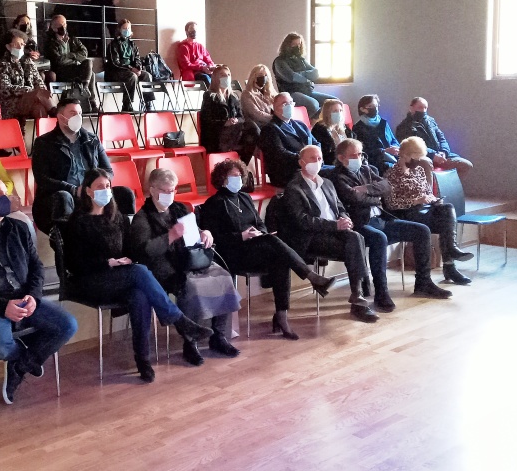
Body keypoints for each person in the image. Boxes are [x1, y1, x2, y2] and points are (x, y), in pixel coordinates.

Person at [64, 169, 212, 382]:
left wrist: (125, 260)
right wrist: (107, 262)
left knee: (140, 295)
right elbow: (74, 264)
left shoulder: (118, 218)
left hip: (119, 277)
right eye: (99, 187)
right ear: (88, 191)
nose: (105, 190)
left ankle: (143, 360)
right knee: (139, 272)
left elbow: (133, 251)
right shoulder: (77, 222)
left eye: (108, 186)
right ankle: (180, 321)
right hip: (89, 280)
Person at [0, 174, 78, 405]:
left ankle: (19, 366)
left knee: (68, 325)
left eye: (5, 193)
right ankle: (27, 359)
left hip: (24, 298)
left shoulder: (20, 228)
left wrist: (33, 296)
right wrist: (2, 306)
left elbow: (36, 267)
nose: (5, 198)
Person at [199, 159, 339, 337]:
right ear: (223, 178)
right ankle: (311, 276)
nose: (239, 179)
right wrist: (242, 236)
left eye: (240, 175)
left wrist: (260, 233)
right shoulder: (214, 203)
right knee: (273, 243)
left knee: (280, 258)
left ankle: (282, 315)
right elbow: (216, 239)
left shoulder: (245, 197)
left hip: (256, 247)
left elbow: (260, 224)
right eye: (234, 176)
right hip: (233, 253)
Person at [127, 168, 242, 365]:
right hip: (163, 266)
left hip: (190, 259)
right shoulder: (142, 218)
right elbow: (143, 251)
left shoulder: (179, 209)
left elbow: (194, 232)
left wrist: (205, 232)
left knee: (223, 276)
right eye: (165, 190)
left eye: (172, 190)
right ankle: (190, 342)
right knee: (191, 286)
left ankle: (219, 335)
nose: (169, 194)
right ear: (152, 190)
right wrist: (170, 236)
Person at [330, 138, 453, 311]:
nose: (358, 158)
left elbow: (386, 187)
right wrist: (374, 196)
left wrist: (366, 190)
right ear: (341, 158)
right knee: (379, 239)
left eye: (360, 154)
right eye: (353, 155)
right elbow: (353, 198)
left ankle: (423, 282)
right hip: (360, 224)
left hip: (381, 219)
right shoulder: (337, 177)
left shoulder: (367, 169)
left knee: (421, 230)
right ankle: (381, 292)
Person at [275, 145, 379, 323]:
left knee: (355, 237)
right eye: (312, 158)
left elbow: (340, 208)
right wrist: (335, 225)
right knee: (355, 242)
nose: (317, 162)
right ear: (301, 162)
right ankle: (359, 297)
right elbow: (303, 221)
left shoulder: (327, 183)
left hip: (335, 232)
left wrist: (345, 219)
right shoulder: (294, 188)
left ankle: (358, 296)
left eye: (320, 159)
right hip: (312, 237)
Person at [31, 99, 134, 233]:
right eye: (73, 113)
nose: (78, 117)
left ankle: (124, 240)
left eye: (80, 113)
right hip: (61, 195)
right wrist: (74, 190)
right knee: (64, 197)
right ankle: (63, 241)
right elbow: (43, 179)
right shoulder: (44, 143)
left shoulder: (91, 139)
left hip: (91, 193)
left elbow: (108, 171)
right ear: (60, 117)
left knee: (125, 194)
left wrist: (97, 186)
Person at [384, 136, 475, 285]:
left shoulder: (419, 170)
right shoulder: (391, 175)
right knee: (443, 223)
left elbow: (427, 191)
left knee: (446, 209)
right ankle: (450, 264)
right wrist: (415, 201)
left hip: (423, 210)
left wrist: (432, 199)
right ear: (405, 155)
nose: (418, 161)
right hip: (406, 213)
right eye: (415, 157)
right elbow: (391, 203)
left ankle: (451, 255)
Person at [395, 97, 473, 178]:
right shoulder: (404, 127)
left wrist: (444, 152)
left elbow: (442, 138)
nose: (423, 110)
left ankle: (446, 184)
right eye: (420, 107)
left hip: (440, 155)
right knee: (426, 164)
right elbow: (412, 147)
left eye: (425, 108)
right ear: (411, 108)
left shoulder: (431, 121)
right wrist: (433, 155)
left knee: (465, 165)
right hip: (422, 157)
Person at [200, 65, 259, 165]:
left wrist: (236, 120)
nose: (226, 77)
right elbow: (206, 120)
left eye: (228, 75)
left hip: (234, 132)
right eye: (222, 75)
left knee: (252, 127)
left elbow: (241, 117)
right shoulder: (209, 96)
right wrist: (224, 123)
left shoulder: (233, 97)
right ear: (216, 78)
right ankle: (231, 163)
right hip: (217, 134)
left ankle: (242, 165)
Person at [258, 92, 318, 188]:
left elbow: (315, 143)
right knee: (332, 175)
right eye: (285, 104)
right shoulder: (270, 129)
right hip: (287, 172)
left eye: (291, 103)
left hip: (310, 165)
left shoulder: (300, 125)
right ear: (274, 108)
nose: (289, 106)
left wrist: (317, 157)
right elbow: (279, 154)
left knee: (337, 172)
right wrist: (303, 159)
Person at [271, 33, 336, 119]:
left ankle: (320, 123)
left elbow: (316, 73)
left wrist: (302, 75)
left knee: (334, 102)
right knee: (313, 104)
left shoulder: (301, 60)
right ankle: (309, 123)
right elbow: (292, 77)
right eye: (294, 44)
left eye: (299, 44)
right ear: (287, 45)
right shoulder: (279, 61)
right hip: (292, 93)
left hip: (307, 91)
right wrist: (307, 77)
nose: (297, 47)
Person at [0, 30, 54, 122]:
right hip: (12, 102)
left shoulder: (28, 61)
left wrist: (38, 91)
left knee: (39, 108)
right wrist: (28, 90)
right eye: (16, 44)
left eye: (22, 44)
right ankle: (54, 112)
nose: (20, 47)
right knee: (38, 93)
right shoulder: (3, 64)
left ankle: (44, 131)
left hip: (31, 100)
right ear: (8, 46)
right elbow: (4, 88)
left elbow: (39, 81)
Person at [43, 15, 99, 110]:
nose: (63, 27)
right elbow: (59, 61)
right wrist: (75, 58)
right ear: (54, 28)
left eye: (64, 24)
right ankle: (92, 103)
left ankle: (85, 88)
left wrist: (70, 56)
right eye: (60, 25)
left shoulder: (72, 40)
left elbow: (84, 53)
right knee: (91, 74)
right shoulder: (50, 42)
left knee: (88, 62)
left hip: (75, 68)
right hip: (61, 71)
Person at [105, 19, 152, 112]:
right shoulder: (113, 45)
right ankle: (127, 105)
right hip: (116, 72)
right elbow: (115, 63)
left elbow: (137, 58)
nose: (127, 30)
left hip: (131, 70)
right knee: (132, 76)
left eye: (128, 28)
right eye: (124, 28)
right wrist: (130, 68)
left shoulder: (132, 44)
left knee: (146, 75)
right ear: (119, 29)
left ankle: (148, 104)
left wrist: (138, 68)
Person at [312, 99, 355, 166]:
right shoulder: (319, 129)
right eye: (335, 111)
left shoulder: (344, 127)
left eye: (340, 110)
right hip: (332, 163)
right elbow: (323, 153)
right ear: (327, 113)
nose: (339, 113)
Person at [12, 13, 53, 83]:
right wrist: (28, 55)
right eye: (23, 23)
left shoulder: (31, 41)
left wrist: (36, 55)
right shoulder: (13, 39)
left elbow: (37, 53)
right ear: (16, 25)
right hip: (21, 65)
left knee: (51, 75)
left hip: (34, 65)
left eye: (28, 23)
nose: (26, 25)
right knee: (41, 76)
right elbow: (14, 53)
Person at [241, 64, 277, 128]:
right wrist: (276, 118)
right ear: (253, 77)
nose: (264, 78)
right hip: (262, 126)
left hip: (275, 123)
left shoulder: (270, 92)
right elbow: (256, 114)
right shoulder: (246, 94)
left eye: (266, 75)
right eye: (260, 75)